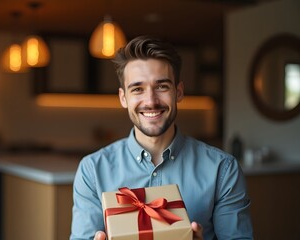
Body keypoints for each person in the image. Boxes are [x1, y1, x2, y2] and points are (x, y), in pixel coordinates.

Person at [70, 35, 253, 240]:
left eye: (162, 87)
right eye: (138, 89)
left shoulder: (222, 169)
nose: (151, 101)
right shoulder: (92, 170)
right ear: (123, 98)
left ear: (179, 92)